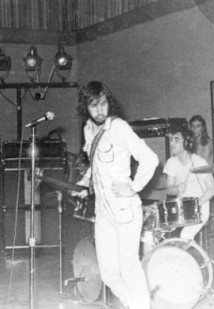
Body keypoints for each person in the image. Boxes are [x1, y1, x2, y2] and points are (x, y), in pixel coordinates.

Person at [73, 81, 159, 309]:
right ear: (86, 108)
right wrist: (84, 182)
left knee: (129, 266)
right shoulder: (90, 131)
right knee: (109, 274)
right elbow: (96, 165)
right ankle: (134, 304)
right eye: (94, 106)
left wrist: (134, 186)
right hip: (104, 213)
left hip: (126, 209)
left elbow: (150, 158)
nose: (100, 110)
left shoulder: (119, 127)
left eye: (103, 104)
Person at [163, 127, 214, 240]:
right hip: (180, 208)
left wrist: (196, 204)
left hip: (200, 208)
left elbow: (212, 190)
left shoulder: (200, 162)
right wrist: (177, 188)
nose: (172, 143)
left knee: (185, 235)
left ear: (187, 143)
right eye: (171, 139)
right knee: (156, 233)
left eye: (176, 140)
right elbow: (169, 189)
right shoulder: (171, 162)